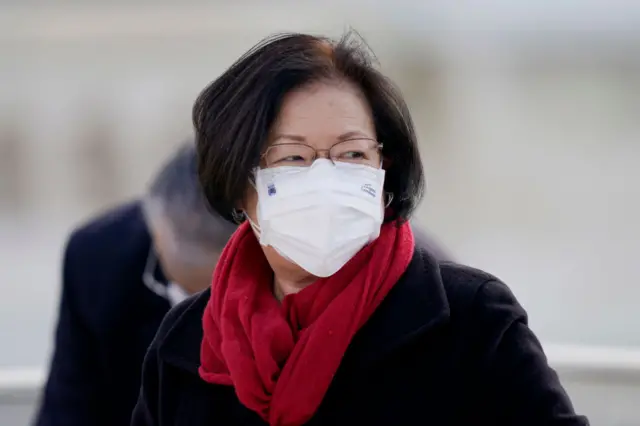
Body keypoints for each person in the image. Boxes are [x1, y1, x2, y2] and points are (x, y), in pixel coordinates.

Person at [131, 33, 588, 426]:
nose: (326, 177)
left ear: (383, 166)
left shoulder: (469, 319)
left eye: (352, 154)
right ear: (240, 185)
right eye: (294, 158)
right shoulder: (189, 341)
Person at [34, 143, 236, 426]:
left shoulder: (302, 267)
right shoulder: (98, 259)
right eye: (188, 291)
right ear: (156, 230)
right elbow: (68, 407)